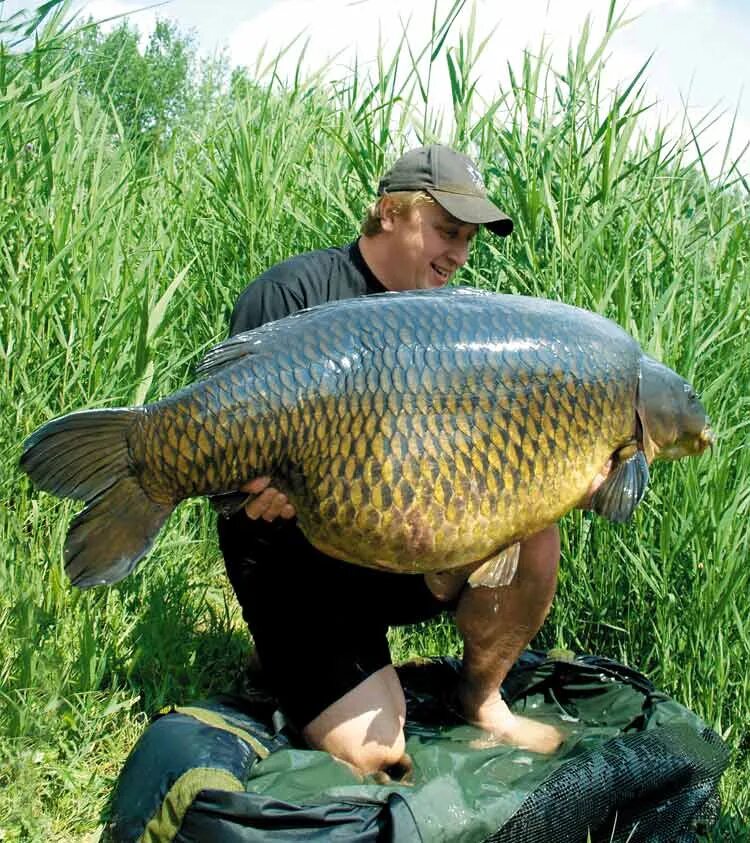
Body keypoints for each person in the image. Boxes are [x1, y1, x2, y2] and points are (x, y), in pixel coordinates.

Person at [217, 145, 565, 778]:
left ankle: (480, 699)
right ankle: (289, 653)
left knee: (535, 533)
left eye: (468, 241)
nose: (459, 253)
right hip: (293, 557)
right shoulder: (294, 292)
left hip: (403, 550)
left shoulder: (454, 327)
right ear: (387, 213)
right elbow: (234, 450)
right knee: (377, 752)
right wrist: (257, 482)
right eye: (447, 231)